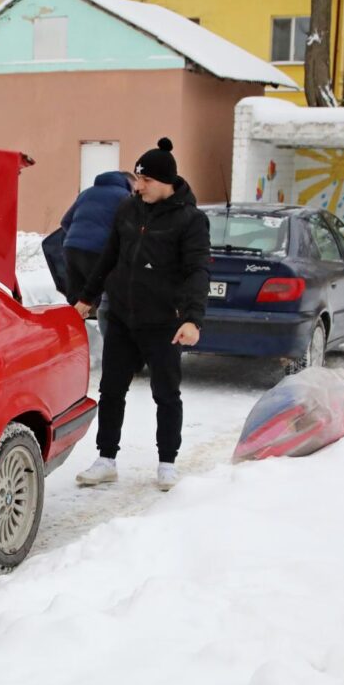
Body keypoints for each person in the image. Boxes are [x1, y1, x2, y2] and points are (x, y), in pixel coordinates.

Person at [72, 138, 210, 491]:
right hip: (121, 315)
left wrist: (192, 318)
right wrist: (88, 296)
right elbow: (109, 256)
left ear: (165, 181)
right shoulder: (127, 209)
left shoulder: (191, 220)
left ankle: (166, 463)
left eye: (145, 180)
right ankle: (106, 459)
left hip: (163, 320)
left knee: (166, 393)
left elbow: (198, 271)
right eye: (137, 179)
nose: (138, 186)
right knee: (111, 390)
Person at [60, 170, 134, 307]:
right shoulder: (124, 196)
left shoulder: (86, 193)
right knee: (105, 296)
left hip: (71, 249)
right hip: (99, 251)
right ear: (128, 183)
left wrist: (78, 237)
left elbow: (65, 221)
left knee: (76, 300)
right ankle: (104, 326)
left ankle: (75, 327)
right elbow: (130, 228)